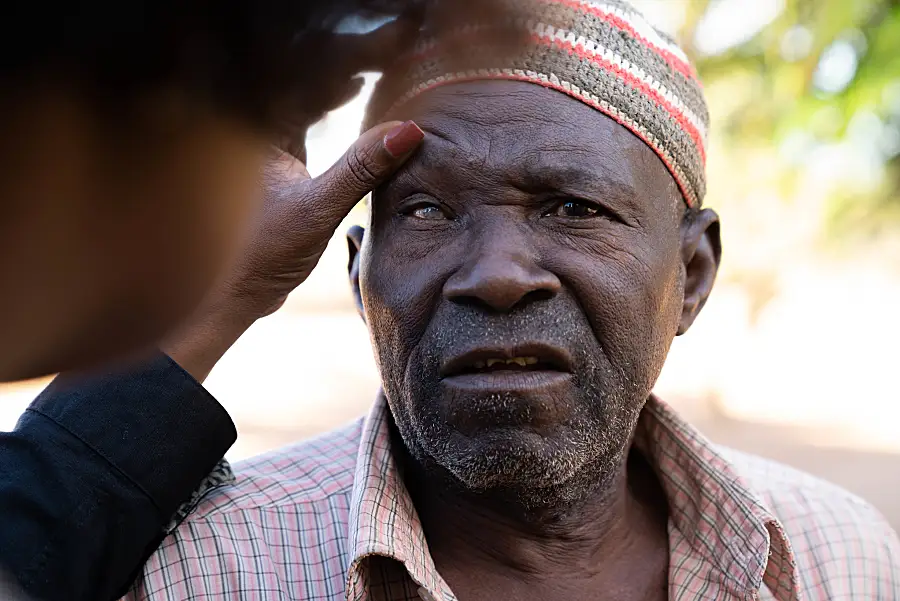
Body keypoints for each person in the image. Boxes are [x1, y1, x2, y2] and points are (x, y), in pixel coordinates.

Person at [111, 0, 899, 599]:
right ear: (359, 275)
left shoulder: (844, 555)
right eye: (427, 211)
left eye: (574, 208)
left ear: (690, 275)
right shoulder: (204, 569)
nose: (495, 275)